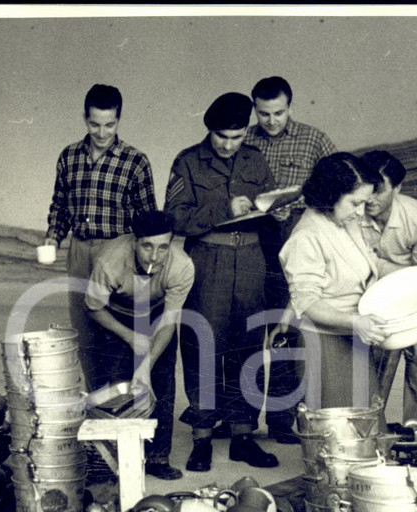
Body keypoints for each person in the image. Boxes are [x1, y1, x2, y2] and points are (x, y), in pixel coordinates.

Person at [164, 92, 280, 473]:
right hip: (208, 261)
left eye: (237, 136)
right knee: (203, 345)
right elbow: (175, 218)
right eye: (222, 137)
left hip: (250, 260)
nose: (230, 145)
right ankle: (201, 438)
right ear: (209, 130)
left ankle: (243, 435)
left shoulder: (256, 159)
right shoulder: (187, 162)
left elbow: (269, 204)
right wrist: (224, 209)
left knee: (248, 346)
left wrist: (274, 208)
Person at [241, 76, 337, 444]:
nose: (271, 120)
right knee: (251, 329)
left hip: (296, 238)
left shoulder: (314, 139)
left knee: (289, 332)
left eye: (278, 112)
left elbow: (337, 184)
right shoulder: (245, 139)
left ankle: (282, 420)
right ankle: (244, 421)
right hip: (254, 240)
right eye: (263, 113)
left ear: (290, 107)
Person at [44, 84, 156, 392]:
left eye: (109, 124)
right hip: (80, 251)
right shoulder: (69, 157)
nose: (102, 132)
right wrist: (53, 238)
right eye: (95, 124)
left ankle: (120, 402)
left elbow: (148, 220)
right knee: (83, 328)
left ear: (119, 120)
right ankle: (96, 401)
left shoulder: (136, 162)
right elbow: (60, 205)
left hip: (118, 252)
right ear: (85, 118)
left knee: (116, 329)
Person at [84, 210, 194, 481]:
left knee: (162, 382)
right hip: (114, 316)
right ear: (135, 241)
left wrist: (145, 367)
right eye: (147, 246)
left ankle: (157, 457)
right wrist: (130, 336)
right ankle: (110, 460)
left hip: (157, 317)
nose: (154, 256)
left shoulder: (182, 265)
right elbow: (93, 308)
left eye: (163, 247)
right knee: (112, 386)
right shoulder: (108, 261)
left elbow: (169, 322)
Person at [278, 153, 390, 411]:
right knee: (338, 431)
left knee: (365, 426)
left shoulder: (344, 222)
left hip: (353, 335)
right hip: (324, 343)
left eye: (364, 203)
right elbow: (306, 302)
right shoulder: (306, 237)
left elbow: (366, 268)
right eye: (354, 203)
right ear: (331, 195)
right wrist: (355, 322)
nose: (361, 212)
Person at [357, 150, 417, 441]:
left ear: (398, 188)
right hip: (369, 300)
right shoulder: (352, 214)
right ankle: (373, 436)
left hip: (416, 297)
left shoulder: (415, 217)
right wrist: (395, 272)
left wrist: (388, 271)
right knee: (374, 373)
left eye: (379, 190)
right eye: (366, 188)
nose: (370, 198)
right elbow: (356, 266)